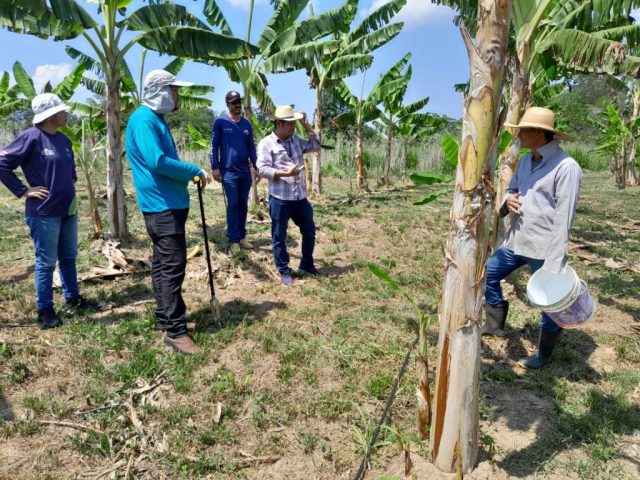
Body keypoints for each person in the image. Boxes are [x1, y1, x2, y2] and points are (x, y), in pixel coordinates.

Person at [482, 107, 583, 369]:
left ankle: (543, 355)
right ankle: (494, 323)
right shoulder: (527, 160)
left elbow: (564, 217)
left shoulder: (566, 167)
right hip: (516, 241)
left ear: (540, 132)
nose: (519, 136)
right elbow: (512, 189)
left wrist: (555, 260)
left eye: (523, 130)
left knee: (550, 302)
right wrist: (508, 199)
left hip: (544, 247)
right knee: (488, 273)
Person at [125, 69, 213, 355]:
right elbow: (158, 161)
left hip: (166, 202)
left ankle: (166, 319)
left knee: (163, 265)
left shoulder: (154, 119)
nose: (177, 96)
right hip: (162, 205)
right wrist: (194, 170)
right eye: (174, 91)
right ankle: (175, 331)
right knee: (172, 266)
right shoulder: (144, 119)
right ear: (161, 91)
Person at [0, 93, 96, 329]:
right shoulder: (30, 137)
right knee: (46, 262)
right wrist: (23, 190)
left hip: (67, 210)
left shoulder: (64, 141)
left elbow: (70, 169)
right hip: (43, 213)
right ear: (50, 115)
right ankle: (45, 309)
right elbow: (2, 164)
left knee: (69, 257)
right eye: (62, 111)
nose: (67, 113)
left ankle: (73, 298)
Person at [256, 105, 321, 286]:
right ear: (279, 123)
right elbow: (261, 169)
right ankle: (284, 270)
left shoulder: (296, 140)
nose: (293, 128)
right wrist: (286, 174)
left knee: (309, 230)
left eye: (294, 124)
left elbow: (316, 145)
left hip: (300, 198)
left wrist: (306, 125)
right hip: (280, 199)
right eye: (290, 125)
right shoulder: (266, 143)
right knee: (279, 236)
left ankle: (306, 265)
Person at [210, 91, 258, 252]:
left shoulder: (247, 124)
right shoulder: (220, 123)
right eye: (233, 103)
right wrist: (214, 167)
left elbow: (251, 147)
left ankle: (242, 237)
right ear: (228, 105)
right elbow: (213, 146)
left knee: (243, 205)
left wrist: (256, 167)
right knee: (233, 205)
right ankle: (233, 241)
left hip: (245, 172)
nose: (237, 105)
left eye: (239, 102)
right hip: (228, 173)